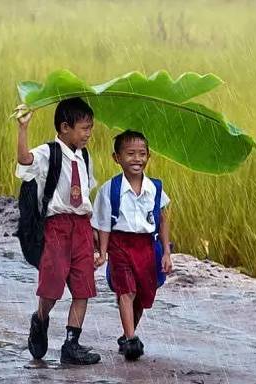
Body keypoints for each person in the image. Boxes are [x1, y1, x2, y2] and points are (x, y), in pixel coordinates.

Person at [15, 97, 104, 365]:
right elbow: (24, 159)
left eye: (90, 128)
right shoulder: (48, 152)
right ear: (65, 127)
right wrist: (22, 129)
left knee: (83, 287)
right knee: (52, 287)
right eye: (84, 128)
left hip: (82, 227)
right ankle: (40, 319)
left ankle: (71, 344)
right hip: (56, 227)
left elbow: (87, 194)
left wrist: (95, 232)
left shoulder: (85, 156)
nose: (89, 134)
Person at [91, 130, 173, 361]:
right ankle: (131, 340)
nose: (136, 159)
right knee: (126, 290)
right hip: (120, 244)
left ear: (149, 156)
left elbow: (163, 218)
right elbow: (104, 224)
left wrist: (166, 252)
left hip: (147, 246)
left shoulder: (155, 188)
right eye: (130, 154)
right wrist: (103, 253)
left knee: (143, 295)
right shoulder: (110, 189)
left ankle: (129, 333)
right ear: (116, 158)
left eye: (142, 153)